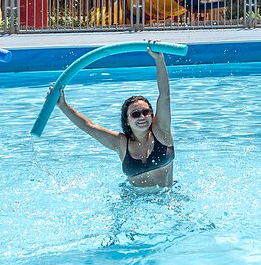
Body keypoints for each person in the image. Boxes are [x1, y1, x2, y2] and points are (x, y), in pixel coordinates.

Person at [55, 47, 174, 188]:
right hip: (132, 202)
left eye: (146, 112)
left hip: (166, 198)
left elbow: (164, 94)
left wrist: (159, 60)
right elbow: (88, 126)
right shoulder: (120, 143)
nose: (142, 116)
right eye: (135, 114)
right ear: (127, 121)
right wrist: (63, 105)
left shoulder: (162, 132)